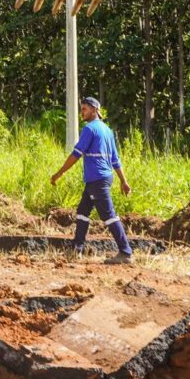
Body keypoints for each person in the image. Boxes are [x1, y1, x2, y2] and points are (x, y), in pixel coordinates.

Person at [50, 96, 134, 264]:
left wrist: (59, 173)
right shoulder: (107, 130)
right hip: (100, 179)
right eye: (81, 109)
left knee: (109, 215)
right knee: (82, 212)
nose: (82, 112)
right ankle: (77, 249)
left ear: (94, 110)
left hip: (97, 179)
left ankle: (125, 252)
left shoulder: (89, 129)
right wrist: (123, 181)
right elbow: (115, 159)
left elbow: (76, 154)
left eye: (84, 109)